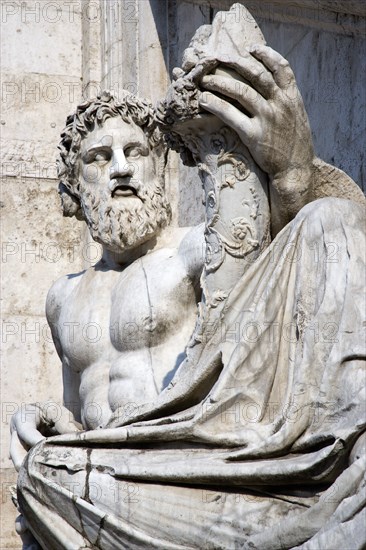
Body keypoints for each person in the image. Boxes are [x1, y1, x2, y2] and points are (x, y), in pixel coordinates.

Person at [11, 40, 365, 549]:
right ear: (74, 184)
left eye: (135, 152)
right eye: (99, 157)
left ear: (160, 167)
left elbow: (288, 254)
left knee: (331, 219)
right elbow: (78, 409)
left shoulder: (191, 250)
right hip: (111, 469)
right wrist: (50, 421)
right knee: (42, 468)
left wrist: (291, 174)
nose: (121, 168)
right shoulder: (61, 297)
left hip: (192, 455)